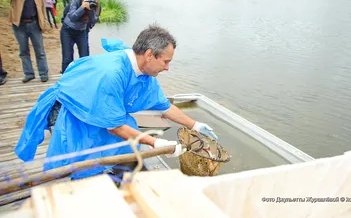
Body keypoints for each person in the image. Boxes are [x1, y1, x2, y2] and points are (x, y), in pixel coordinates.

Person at [14, 24, 218, 180]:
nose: (167, 68)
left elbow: (164, 105)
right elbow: (115, 127)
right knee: (82, 160)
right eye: (166, 61)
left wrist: (195, 125)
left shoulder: (146, 74)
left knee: (126, 145)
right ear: (149, 55)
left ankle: (114, 176)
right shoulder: (112, 74)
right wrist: (155, 141)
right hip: (75, 110)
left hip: (103, 109)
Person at [2, 0, 49, 83]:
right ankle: (29, 74)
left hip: (34, 23)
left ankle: (43, 74)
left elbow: (42, 7)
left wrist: (43, 22)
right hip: (19, 24)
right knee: (23, 51)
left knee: (40, 51)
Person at [60, 0, 99, 73]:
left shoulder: (96, 6)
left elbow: (94, 21)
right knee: (67, 57)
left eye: (95, 0)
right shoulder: (77, 0)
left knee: (85, 56)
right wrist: (82, 8)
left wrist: (91, 10)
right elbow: (72, 17)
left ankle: (83, 77)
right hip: (67, 30)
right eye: (91, 0)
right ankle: (66, 78)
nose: (92, 2)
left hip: (81, 32)